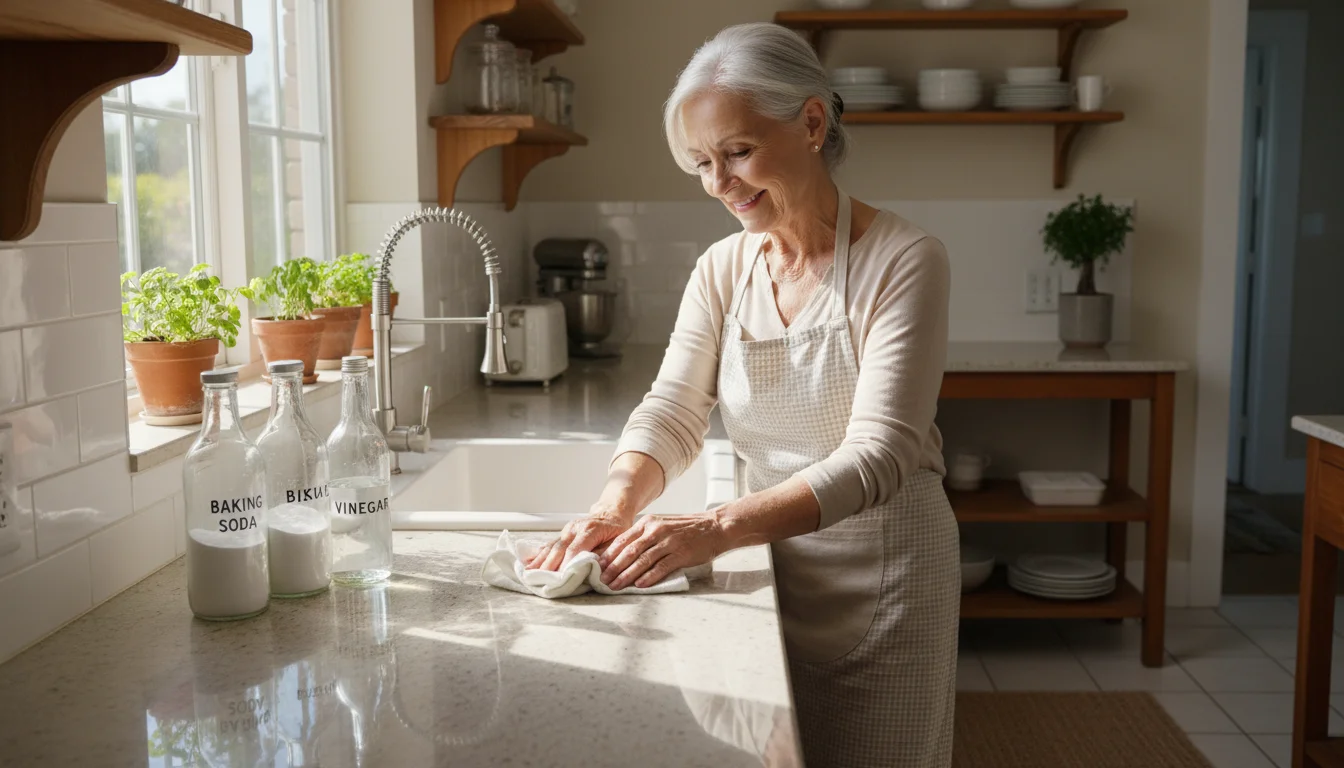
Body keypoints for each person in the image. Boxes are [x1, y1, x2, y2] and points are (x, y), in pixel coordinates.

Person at [526, 21, 958, 768]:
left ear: (812, 123)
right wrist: (614, 504)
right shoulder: (723, 270)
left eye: (737, 152)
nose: (719, 184)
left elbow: (881, 453)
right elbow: (673, 409)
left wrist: (715, 527)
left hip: (888, 587)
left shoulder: (905, 260)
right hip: (768, 574)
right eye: (701, 162)